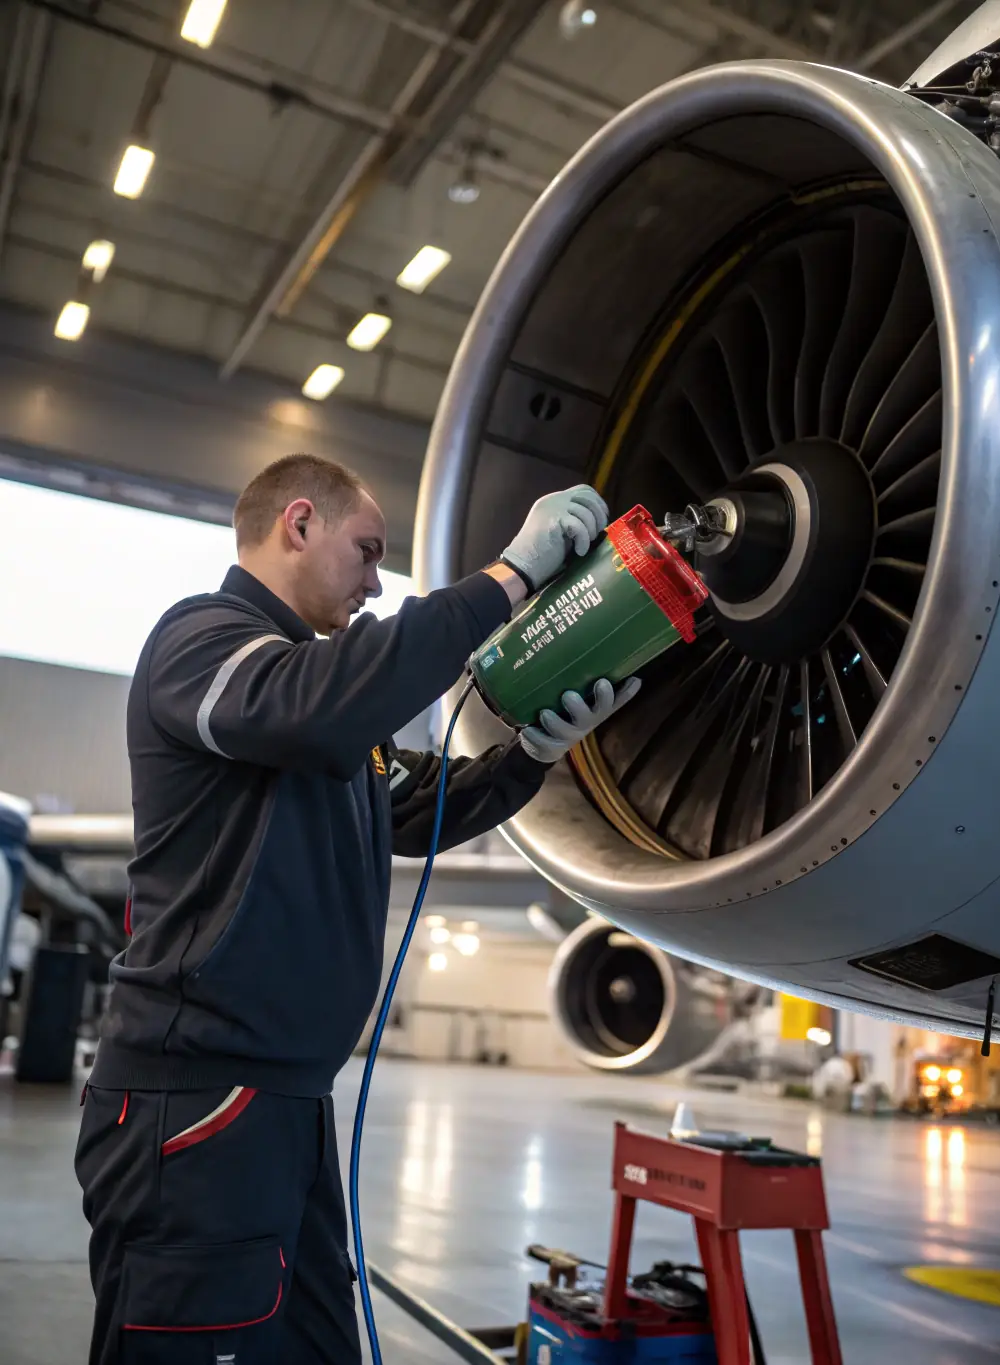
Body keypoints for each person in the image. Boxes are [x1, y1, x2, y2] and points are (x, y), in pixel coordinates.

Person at [75, 453, 640, 1364]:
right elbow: (318, 709)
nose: (377, 585)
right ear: (299, 524)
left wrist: (532, 756)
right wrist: (507, 579)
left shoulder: (324, 706)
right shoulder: (204, 643)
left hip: (289, 1102)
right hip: (198, 1096)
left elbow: (416, 806)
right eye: (367, 552)